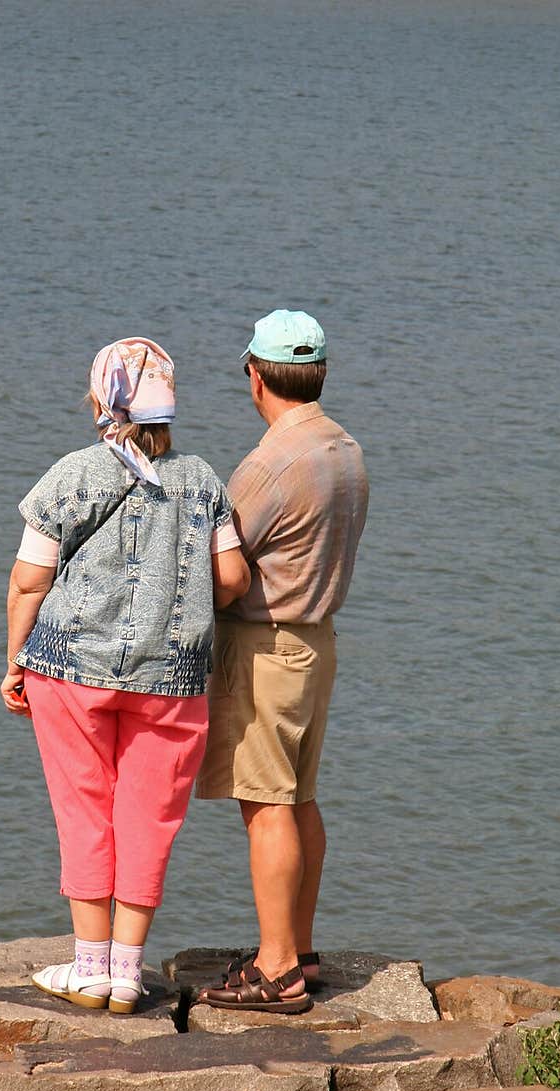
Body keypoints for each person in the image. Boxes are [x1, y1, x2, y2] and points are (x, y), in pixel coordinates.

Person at [0, 337, 250, 1015]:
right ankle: (128, 972)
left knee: (84, 807)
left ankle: (89, 966)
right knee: (150, 817)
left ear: (99, 400)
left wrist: (15, 660)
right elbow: (232, 579)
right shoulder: (202, 480)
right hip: (172, 679)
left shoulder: (71, 475)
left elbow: (29, 582)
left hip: (69, 670)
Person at [195, 309, 369, 1013]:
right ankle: (296, 947)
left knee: (264, 804)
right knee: (298, 797)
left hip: (266, 647)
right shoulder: (344, 447)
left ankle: (277, 970)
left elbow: (220, 558)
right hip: (316, 639)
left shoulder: (270, 463)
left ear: (256, 376)